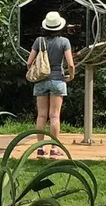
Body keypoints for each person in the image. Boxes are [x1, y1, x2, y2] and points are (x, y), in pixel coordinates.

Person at [29, 11, 75, 157]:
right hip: (57, 80)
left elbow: (29, 62)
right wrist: (71, 76)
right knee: (54, 116)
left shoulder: (39, 41)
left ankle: (40, 149)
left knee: (41, 115)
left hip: (41, 81)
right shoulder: (64, 42)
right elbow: (70, 64)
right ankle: (54, 149)